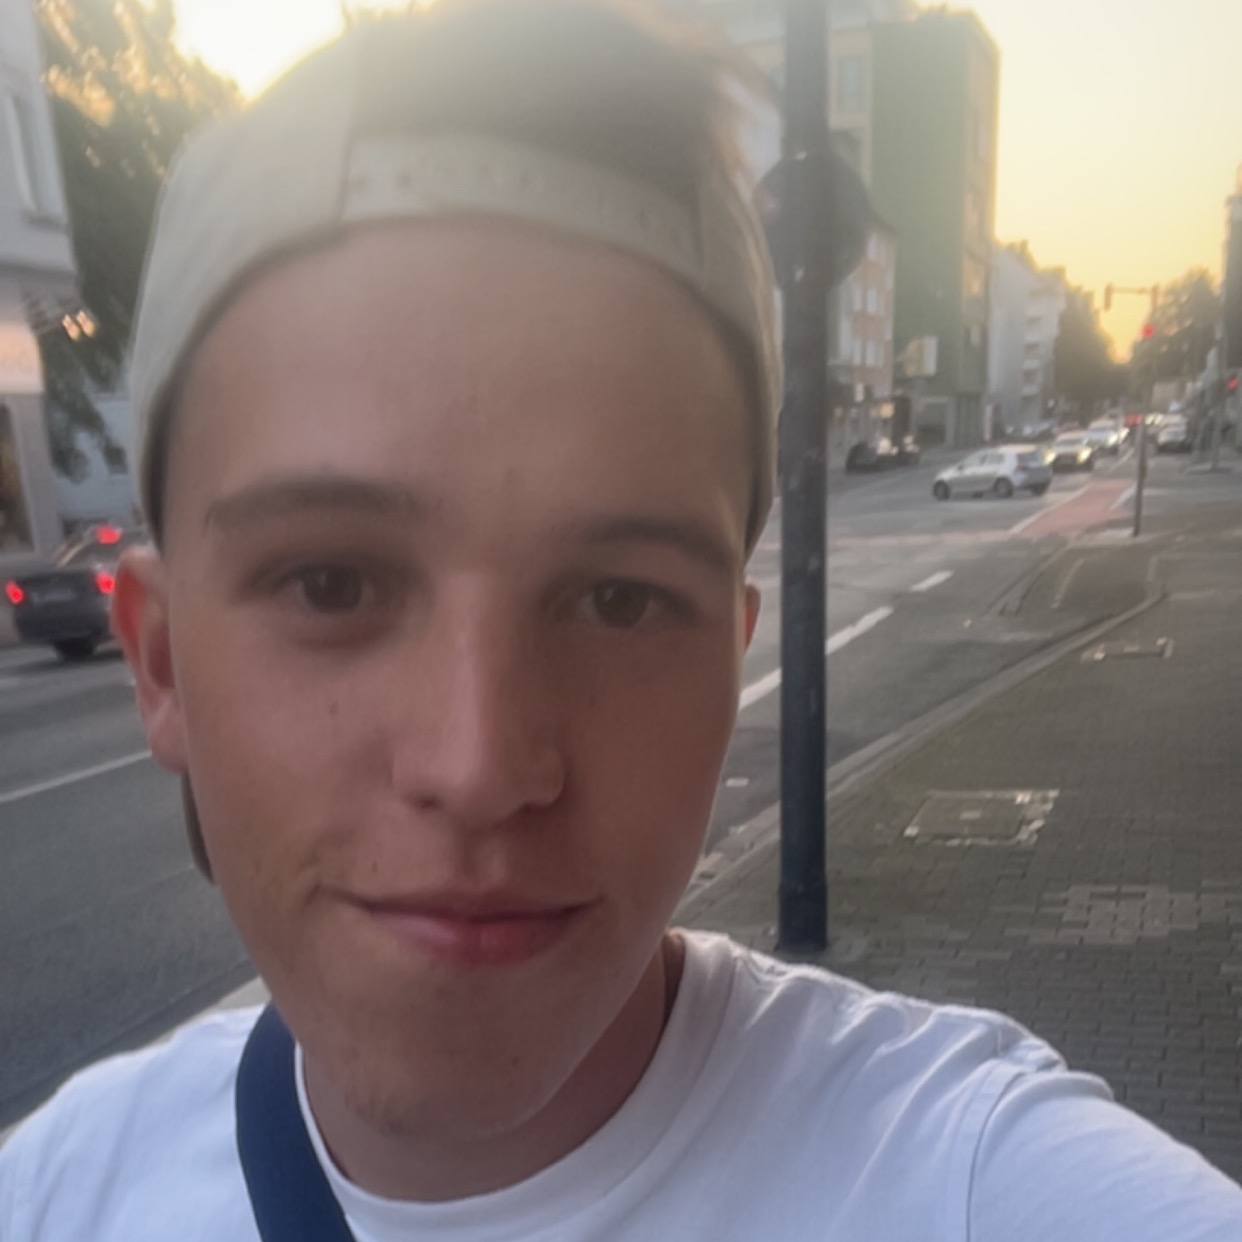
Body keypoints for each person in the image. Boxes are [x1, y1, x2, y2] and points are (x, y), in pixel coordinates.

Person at [3, 3, 1242, 1239]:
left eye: (620, 600)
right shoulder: (57, 1190)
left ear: (730, 663)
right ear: (161, 663)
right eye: (331, 583)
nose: (480, 767)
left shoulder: (965, 1183)